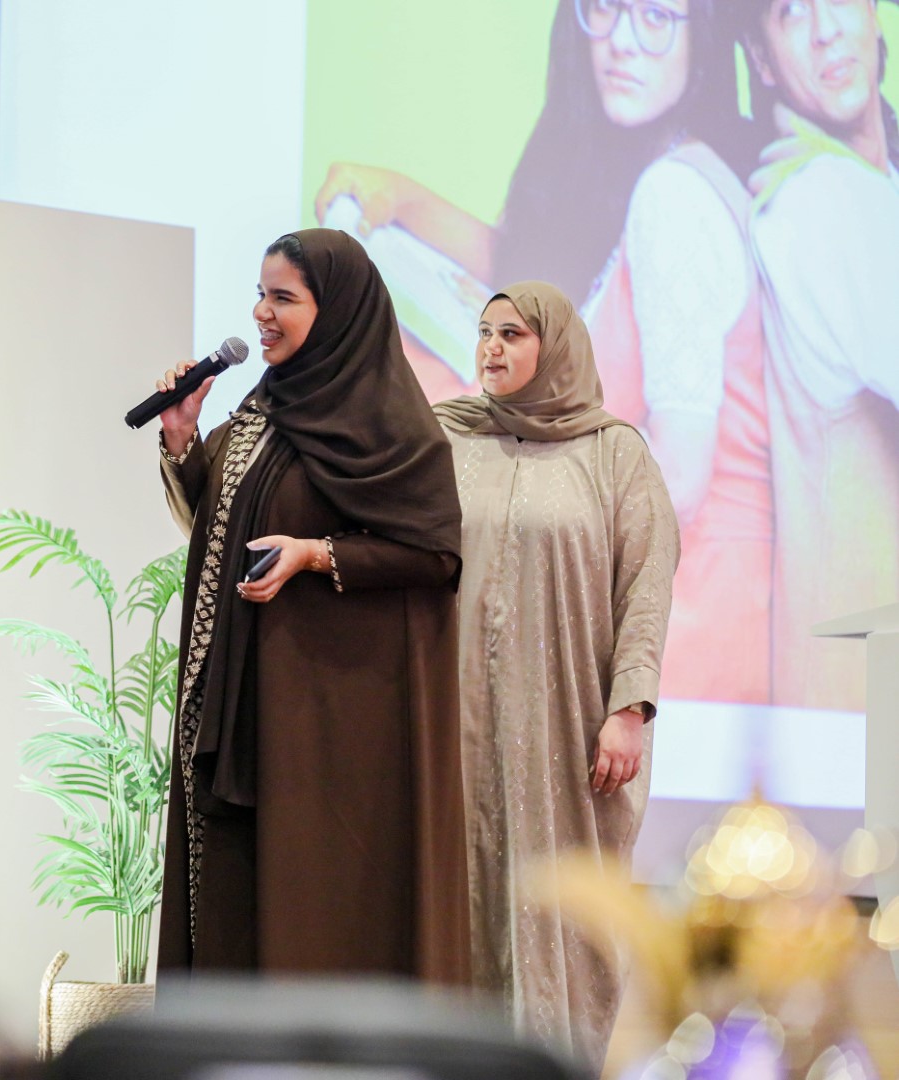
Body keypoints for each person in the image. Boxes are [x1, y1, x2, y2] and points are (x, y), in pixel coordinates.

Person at [318, 0, 767, 702]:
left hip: (677, 634)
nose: (622, 41)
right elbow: (538, 271)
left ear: (702, 38)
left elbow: (678, 482)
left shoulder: (675, 196)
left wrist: (509, 496)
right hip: (648, 611)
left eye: (657, 16)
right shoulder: (648, 165)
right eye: (605, 8)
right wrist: (403, 201)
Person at [153, 228, 469, 982]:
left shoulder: (395, 431)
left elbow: (434, 554)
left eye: (283, 298)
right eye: (260, 295)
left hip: (329, 725)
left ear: (338, 313)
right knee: (234, 901)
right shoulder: (262, 412)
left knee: (312, 908)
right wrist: (182, 437)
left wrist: (317, 554)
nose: (261, 313)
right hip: (244, 705)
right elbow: (219, 521)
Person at [435, 282, 679, 1074]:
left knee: (564, 910)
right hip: (457, 720)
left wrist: (629, 708)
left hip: (568, 729)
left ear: (556, 346)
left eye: (512, 333)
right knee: (461, 895)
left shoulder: (613, 453)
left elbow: (646, 584)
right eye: (484, 331)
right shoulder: (448, 438)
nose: (491, 347)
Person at [740, 0, 899, 713]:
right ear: (763, 61)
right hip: (864, 698)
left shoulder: (866, 185)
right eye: (790, 13)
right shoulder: (823, 198)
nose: (825, 28)